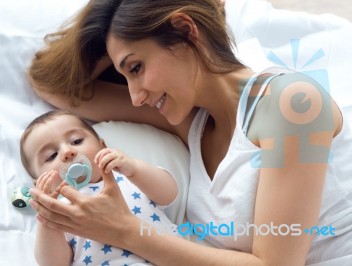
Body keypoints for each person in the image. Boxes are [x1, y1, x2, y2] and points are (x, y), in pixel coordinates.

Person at [27, 0, 352, 265]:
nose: (135, 96)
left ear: (185, 31)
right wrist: (108, 26)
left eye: (136, 68)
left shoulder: (289, 103)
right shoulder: (191, 124)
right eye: (125, 75)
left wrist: (123, 230)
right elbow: (55, 86)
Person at [20, 110, 178, 266]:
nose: (67, 152)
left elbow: (169, 194)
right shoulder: (58, 211)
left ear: (102, 147)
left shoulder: (126, 177)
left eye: (76, 141)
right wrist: (46, 217)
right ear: (38, 183)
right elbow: (53, 263)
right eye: (51, 156)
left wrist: (134, 168)